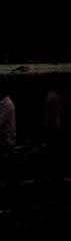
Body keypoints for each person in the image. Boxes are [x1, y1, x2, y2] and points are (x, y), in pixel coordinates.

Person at [0, 81, 17, 213]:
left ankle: (7, 204)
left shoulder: (7, 105)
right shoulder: (5, 104)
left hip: (6, 144)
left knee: (5, 176)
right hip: (5, 143)